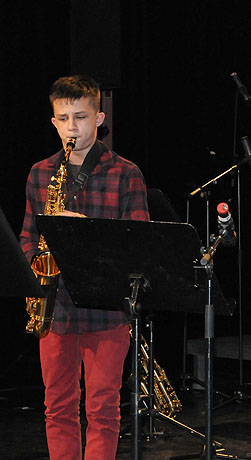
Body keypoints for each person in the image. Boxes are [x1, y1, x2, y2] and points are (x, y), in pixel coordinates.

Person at [19, 75, 149, 460]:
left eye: (81, 116)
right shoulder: (40, 173)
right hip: (54, 306)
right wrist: (37, 261)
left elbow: (138, 244)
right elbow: (27, 237)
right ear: (53, 121)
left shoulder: (126, 173)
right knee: (57, 407)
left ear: (100, 118)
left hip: (106, 310)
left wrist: (83, 234)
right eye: (63, 118)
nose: (72, 127)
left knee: (102, 410)